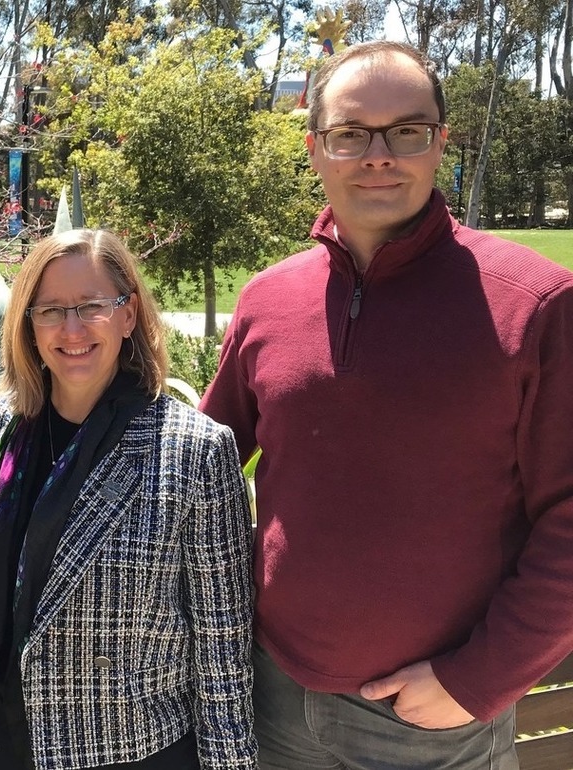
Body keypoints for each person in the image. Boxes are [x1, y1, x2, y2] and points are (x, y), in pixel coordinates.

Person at [199, 40, 573, 769]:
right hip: (271, 697)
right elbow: (198, 462)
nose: (378, 155)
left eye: (406, 131)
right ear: (315, 149)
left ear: (440, 144)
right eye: (350, 134)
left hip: (435, 724)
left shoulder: (535, 305)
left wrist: (475, 682)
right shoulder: (268, 300)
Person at [0, 229, 256, 770]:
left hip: (127, 751)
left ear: (128, 315)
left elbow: (223, 644)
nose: (71, 329)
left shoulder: (194, 450)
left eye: (92, 306)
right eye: (50, 310)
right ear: (27, 323)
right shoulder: (2, 427)